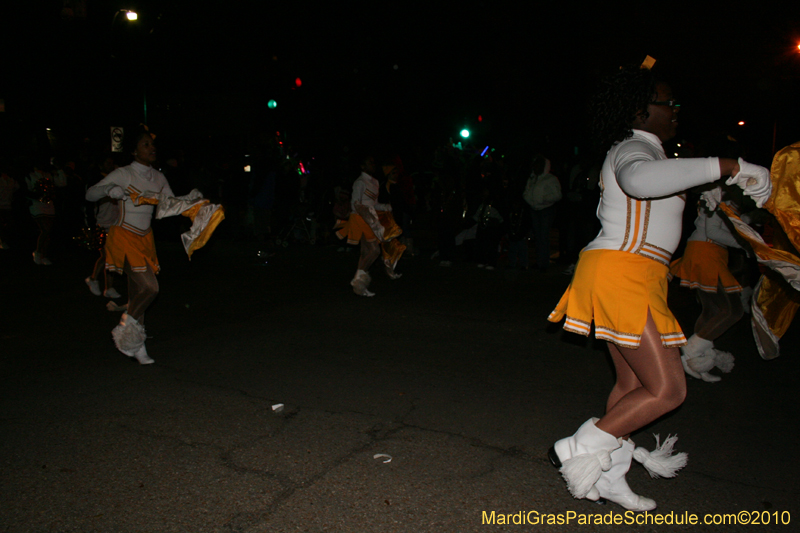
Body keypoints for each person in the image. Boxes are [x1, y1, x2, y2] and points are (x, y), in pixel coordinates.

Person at [546, 66, 771, 511]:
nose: (675, 112)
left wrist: (712, 186)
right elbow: (638, 181)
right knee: (669, 390)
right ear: (640, 109)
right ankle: (580, 445)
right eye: (668, 103)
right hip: (622, 272)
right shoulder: (635, 146)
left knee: (631, 386)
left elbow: (654, 189)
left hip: (633, 274)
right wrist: (727, 165)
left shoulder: (652, 153)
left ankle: (609, 474)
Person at [85, 127, 173, 365]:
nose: (151, 148)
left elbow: (169, 207)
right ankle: (126, 325)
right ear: (134, 151)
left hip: (145, 239)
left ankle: (138, 346)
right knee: (150, 288)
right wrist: (107, 189)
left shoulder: (159, 177)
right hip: (123, 237)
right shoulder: (124, 173)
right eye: (145, 144)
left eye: (152, 144)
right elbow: (90, 194)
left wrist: (196, 206)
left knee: (138, 294)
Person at [669, 188, 746, 382]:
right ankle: (693, 351)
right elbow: (712, 230)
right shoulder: (718, 196)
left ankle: (692, 359)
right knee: (732, 311)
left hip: (707, 253)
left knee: (711, 310)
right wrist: (745, 244)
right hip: (706, 253)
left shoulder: (726, 199)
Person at [335, 155, 403, 296]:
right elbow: (356, 203)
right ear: (362, 166)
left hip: (370, 218)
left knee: (366, 252)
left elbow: (373, 204)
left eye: (373, 162)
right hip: (361, 218)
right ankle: (357, 280)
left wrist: (385, 207)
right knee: (374, 251)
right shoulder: (359, 182)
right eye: (369, 162)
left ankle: (359, 284)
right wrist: (366, 219)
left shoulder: (375, 182)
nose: (373, 164)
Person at [85, 155, 122, 299]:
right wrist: (92, 224)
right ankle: (105, 285)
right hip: (102, 222)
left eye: (112, 163)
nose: (110, 165)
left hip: (115, 223)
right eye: (107, 162)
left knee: (108, 256)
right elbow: (89, 202)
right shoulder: (97, 182)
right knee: (108, 256)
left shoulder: (117, 180)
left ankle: (98, 281)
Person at [523, 155, 561, 272]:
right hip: (534, 209)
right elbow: (526, 192)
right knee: (538, 236)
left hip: (546, 210)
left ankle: (544, 263)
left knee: (543, 236)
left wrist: (542, 200)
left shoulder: (551, 179)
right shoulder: (533, 178)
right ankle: (539, 262)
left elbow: (557, 195)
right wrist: (530, 200)